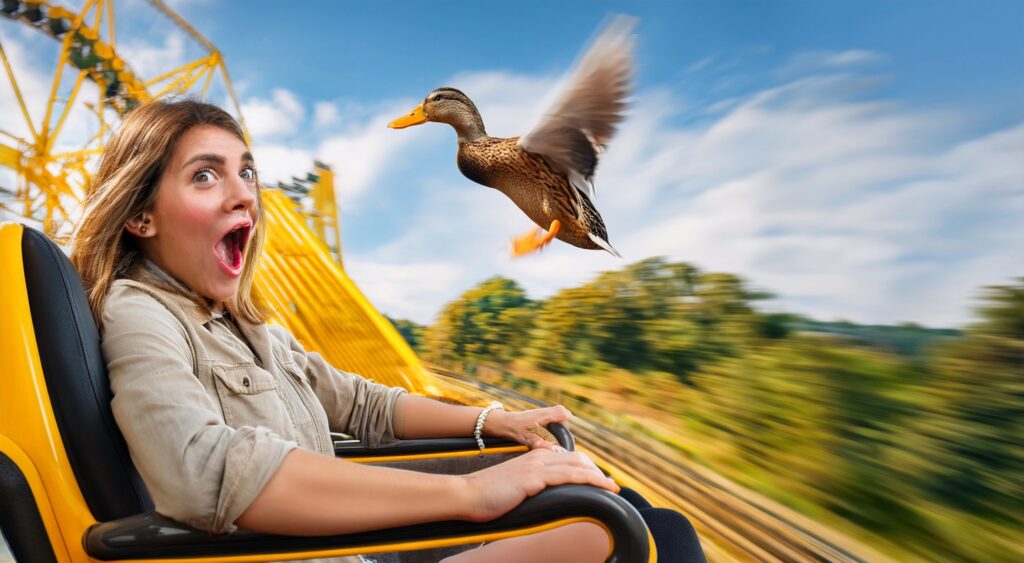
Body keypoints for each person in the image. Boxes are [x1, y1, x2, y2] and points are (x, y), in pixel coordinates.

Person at [69, 99, 704, 562]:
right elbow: (206, 472)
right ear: (141, 216)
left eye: (247, 172)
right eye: (205, 175)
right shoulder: (140, 312)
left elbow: (359, 402)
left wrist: (492, 422)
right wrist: (475, 493)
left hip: (357, 549)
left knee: (626, 505)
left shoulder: (245, 324)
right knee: (643, 534)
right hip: (314, 554)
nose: (244, 196)